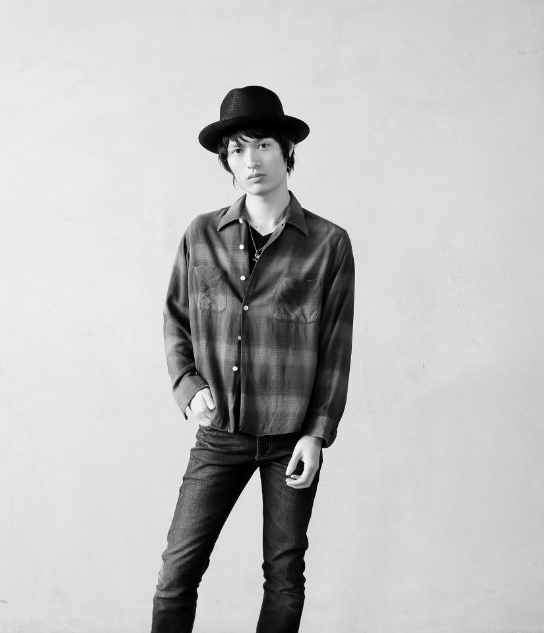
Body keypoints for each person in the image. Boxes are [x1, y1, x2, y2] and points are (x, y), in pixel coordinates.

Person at [152, 85, 355, 633]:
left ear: (286, 150)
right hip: (221, 432)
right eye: (237, 149)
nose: (251, 160)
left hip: (291, 436)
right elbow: (175, 318)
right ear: (227, 161)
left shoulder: (329, 244)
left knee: (284, 576)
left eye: (262, 145)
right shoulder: (202, 234)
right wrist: (188, 384)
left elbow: (335, 349)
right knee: (177, 573)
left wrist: (316, 434)